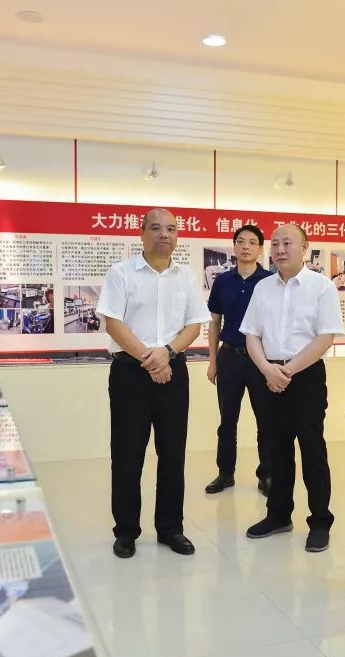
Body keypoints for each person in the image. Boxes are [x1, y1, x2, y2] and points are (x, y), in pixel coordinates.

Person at [96, 208, 210, 559]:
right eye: (157, 228)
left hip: (173, 371)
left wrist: (168, 353)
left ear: (177, 236)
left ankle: (170, 528)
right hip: (130, 373)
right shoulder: (121, 273)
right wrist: (151, 359)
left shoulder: (186, 276)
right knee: (127, 454)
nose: (165, 234)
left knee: (173, 454)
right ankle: (126, 531)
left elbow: (194, 325)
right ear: (142, 233)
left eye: (171, 229)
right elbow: (113, 323)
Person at [240, 223, 344, 552]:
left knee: (312, 450)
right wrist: (267, 369)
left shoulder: (321, 287)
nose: (280, 249)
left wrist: (288, 370)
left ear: (305, 247)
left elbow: (326, 336)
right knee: (276, 449)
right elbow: (251, 334)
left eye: (288, 243)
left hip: (306, 377)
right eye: (275, 244)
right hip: (269, 374)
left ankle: (320, 521)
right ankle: (278, 515)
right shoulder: (263, 288)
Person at [205, 225, 275, 496]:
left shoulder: (269, 281)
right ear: (234, 247)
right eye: (241, 241)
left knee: (265, 420)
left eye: (252, 242)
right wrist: (213, 361)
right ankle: (225, 473)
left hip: (261, 360)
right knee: (227, 421)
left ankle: (266, 474)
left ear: (260, 248)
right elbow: (215, 322)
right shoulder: (222, 281)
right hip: (229, 358)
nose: (246, 246)